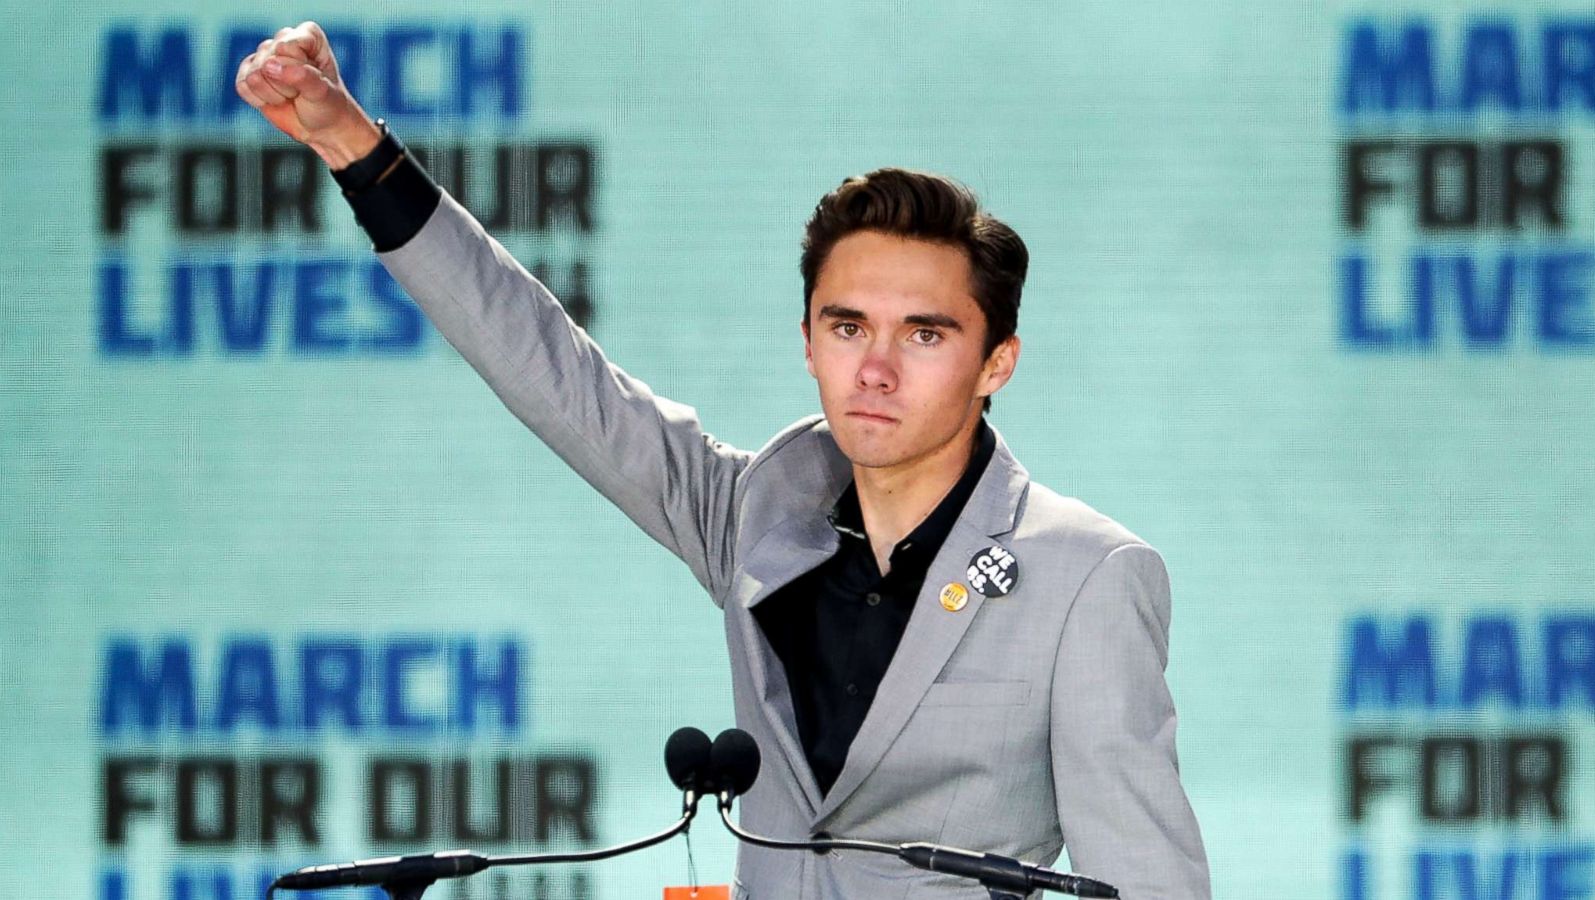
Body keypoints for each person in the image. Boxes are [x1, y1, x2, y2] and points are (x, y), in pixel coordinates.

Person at [237, 22, 1212, 899]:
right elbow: (545, 367)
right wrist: (354, 150)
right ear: (806, 342)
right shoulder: (751, 515)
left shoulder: (1087, 575)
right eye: (846, 327)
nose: (873, 369)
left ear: (996, 360)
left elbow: (1147, 883)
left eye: (923, 335)